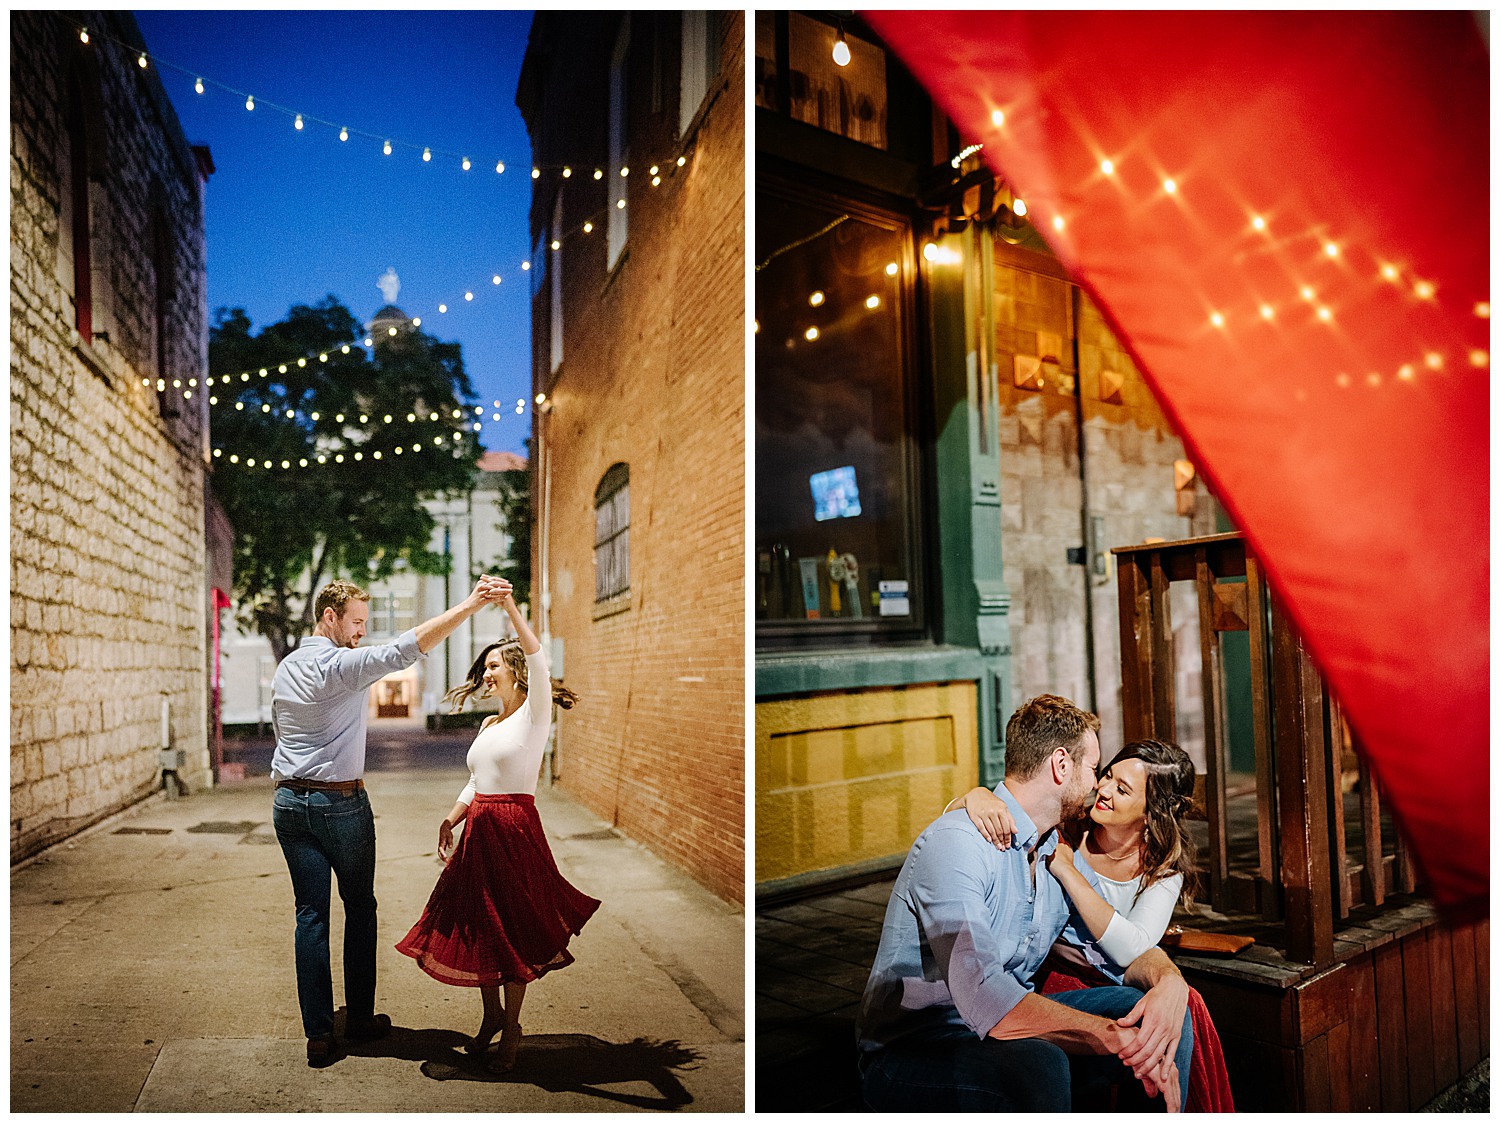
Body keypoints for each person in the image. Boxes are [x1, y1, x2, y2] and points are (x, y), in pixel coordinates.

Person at [857, 694, 1193, 1112]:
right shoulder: (958, 844)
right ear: (1061, 765)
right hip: (919, 1045)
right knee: (1039, 1064)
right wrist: (1110, 1035)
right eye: (1094, 769)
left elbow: (1116, 953)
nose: (1096, 786)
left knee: (1153, 1015)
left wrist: (1169, 982)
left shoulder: (1053, 849)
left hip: (1000, 1028)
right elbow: (984, 996)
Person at [271, 574, 507, 1067]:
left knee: (309, 915)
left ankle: (318, 1034)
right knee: (358, 906)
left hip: (289, 805)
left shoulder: (287, 667)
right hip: (340, 804)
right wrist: (468, 605)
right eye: (355, 621)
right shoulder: (340, 666)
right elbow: (408, 646)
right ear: (329, 616)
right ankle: (357, 1019)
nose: (361, 631)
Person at [954, 738, 1235, 1111]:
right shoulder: (1068, 827)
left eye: (1122, 789)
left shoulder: (1162, 871)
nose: (1102, 790)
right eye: (1106, 776)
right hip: (1046, 975)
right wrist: (974, 797)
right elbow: (1001, 811)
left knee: (1174, 1006)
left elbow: (1133, 946)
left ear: (1152, 813)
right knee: (1158, 1008)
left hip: (1112, 973)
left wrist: (1068, 871)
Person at [396, 584, 600, 1072]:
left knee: (510, 927)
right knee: (477, 924)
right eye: (484, 667)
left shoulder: (535, 715)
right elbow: (476, 780)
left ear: (515, 672)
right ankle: (489, 1018)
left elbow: (537, 652)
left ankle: (512, 1027)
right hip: (479, 830)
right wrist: (451, 818)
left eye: (493, 665)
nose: (485, 673)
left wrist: (506, 605)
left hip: (513, 829)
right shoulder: (490, 725)